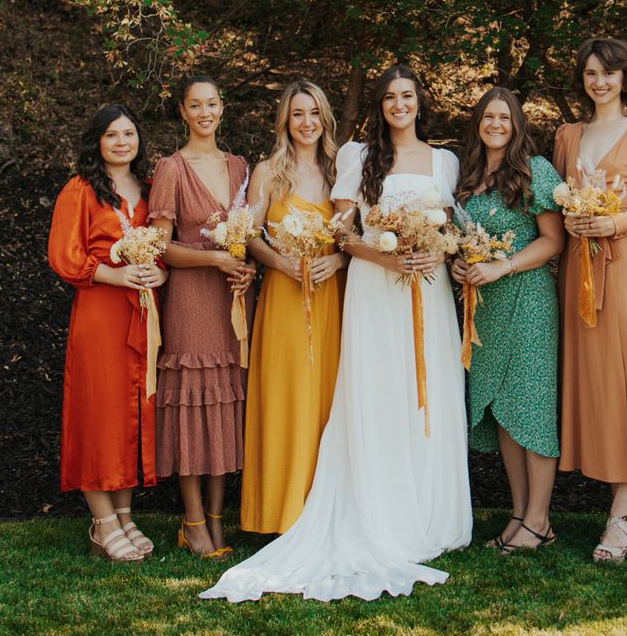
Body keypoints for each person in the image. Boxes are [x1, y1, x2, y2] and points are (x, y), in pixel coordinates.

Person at [201, 65, 472, 602]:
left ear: (421, 102)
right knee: (374, 396)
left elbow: (453, 229)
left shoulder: (446, 160)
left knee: (431, 398)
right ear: (379, 105)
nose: (399, 105)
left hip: (429, 288)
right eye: (390, 97)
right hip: (376, 287)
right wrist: (385, 257)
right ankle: (375, 510)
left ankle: (430, 516)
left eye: (408, 96)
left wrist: (434, 251)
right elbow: (343, 232)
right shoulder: (358, 157)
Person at [553, 37, 627, 562]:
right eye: (590, 74)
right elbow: (553, 203)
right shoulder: (566, 135)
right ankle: (608, 491)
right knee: (594, 383)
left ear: (626, 77)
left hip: (625, 271)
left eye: (609, 73)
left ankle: (624, 507)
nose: (599, 82)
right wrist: (573, 220)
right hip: (577, 270)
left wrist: (615, 220)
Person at [48, 104, 167, 561]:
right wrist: (115, 276)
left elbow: (162, 249)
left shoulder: (150, 189)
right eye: (112, 134)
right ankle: (101, 522)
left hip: (141, 310)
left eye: (129, 133)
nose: (122, 142)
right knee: (98, 411)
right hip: (100, 310)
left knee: (131, 409)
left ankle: (123, 515)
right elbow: (63, 254)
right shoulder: (80, 190)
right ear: (97, 141)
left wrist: (160, 276)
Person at [451, 87, 564, 552]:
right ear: (478, 122)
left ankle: (539, 520)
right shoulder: (469, 176)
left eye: (505, 117)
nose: (496, 124)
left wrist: (503, 265)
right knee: (502, 412)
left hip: (528, 302)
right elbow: (460, 238)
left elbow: (553, 241)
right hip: (486, 310)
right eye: (488, 116)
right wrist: (459, 264)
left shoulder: (535, 170)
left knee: (531, 410)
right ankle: (521, 512)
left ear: (517, 124)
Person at [149, 76, 256, 558]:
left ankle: (216, 521)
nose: (205, 112)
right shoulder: (171, 169)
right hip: (191, 299)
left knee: (226, 405)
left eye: (212, 103)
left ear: (222, 107)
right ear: (183, 112)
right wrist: (213, 259)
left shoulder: (239, 167)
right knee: (193, 407)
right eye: (195, 105)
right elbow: (162, 247)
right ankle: (192, 522)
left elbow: (250, 238)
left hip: (232, 301)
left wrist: (246, 268)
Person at [241, 80, 347, 534]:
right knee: (286, 396)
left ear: (325, 118)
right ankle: (280, 515)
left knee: (328, 399)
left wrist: (338, 260)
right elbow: (248, 234)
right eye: (298, 113)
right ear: (285, 120)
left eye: (314, 113)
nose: (307, 123)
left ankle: (326, 513)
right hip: (284, 298)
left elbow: (355, 235)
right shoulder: (267, 172)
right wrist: (280, 263)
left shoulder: (342, 170)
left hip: (332, 298)